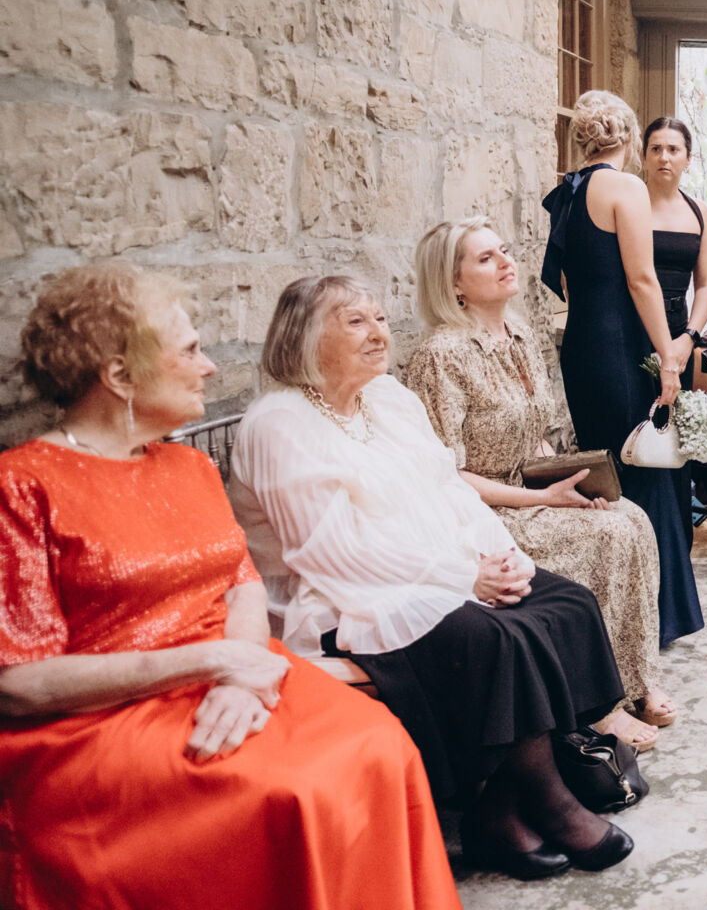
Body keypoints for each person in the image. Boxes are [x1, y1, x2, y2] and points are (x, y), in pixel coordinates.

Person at [0, 264, 460, 910]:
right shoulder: (23, 484)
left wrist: (242, 677)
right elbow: (18, 683)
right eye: (190, 351)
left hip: (234, 672)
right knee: (294, 788)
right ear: (121, 376)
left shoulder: (188, 465)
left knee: (381, 745)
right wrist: (214, 662)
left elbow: (242, 586)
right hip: (100, 717)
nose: (211, 367)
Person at [230, 274, 634, 880]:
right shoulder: (279, 424)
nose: (378, 332)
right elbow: (330, 553)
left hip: (439, 567)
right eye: (356, 321)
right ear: (304, 336)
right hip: (344, 596)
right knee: (499, 638)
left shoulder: (388, 398)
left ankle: (499, 808)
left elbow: (449, 490)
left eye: (380, 318)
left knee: (566, 604)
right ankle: (550, 801)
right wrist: (463, 578)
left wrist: (502, 555)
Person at [405, 216, 676, 753]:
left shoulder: (522, 335)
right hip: (482, 510)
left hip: (532, 490)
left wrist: (569, 482)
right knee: (607, 537)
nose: (506, 262)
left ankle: (635, 679)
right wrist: (542, 498)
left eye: (504, 250)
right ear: (453, 283)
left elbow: (536, 437)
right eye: (485, 258)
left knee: (630, 517)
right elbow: (445, 476)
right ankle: (598, 705)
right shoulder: (440, 356)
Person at [541, 92, 706, 648]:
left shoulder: (569, 191)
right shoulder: (625, 188)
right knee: (646, 470)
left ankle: (612, 613)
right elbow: (642, 279)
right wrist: (668, 359)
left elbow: (570, 282)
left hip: (583, 349)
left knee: (607, 475)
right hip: (620, 348)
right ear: (631, 139)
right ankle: (656, 618)